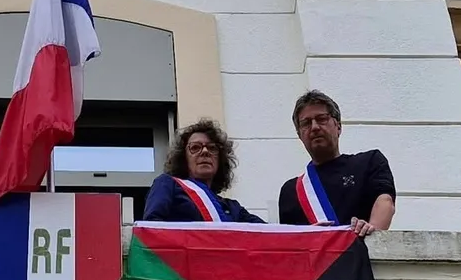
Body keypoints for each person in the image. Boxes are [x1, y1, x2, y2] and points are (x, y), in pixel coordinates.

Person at [278, 91, 395, 238]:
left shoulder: (369, 162)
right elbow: (289, 243)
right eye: (306, 123)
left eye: (321, 119)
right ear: (300, 135)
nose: (314, 127)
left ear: (338, 126)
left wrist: (372, 234)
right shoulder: (290, 191)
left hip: (360, 257)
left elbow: (385, 203)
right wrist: (309, 238)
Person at [142, 119, 264, 224]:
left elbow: (268, 233)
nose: (205, 151)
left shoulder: (233, 208)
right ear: (184, 158)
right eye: (195, 147)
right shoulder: (167, 184)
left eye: (212, 148)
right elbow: (152, 228)